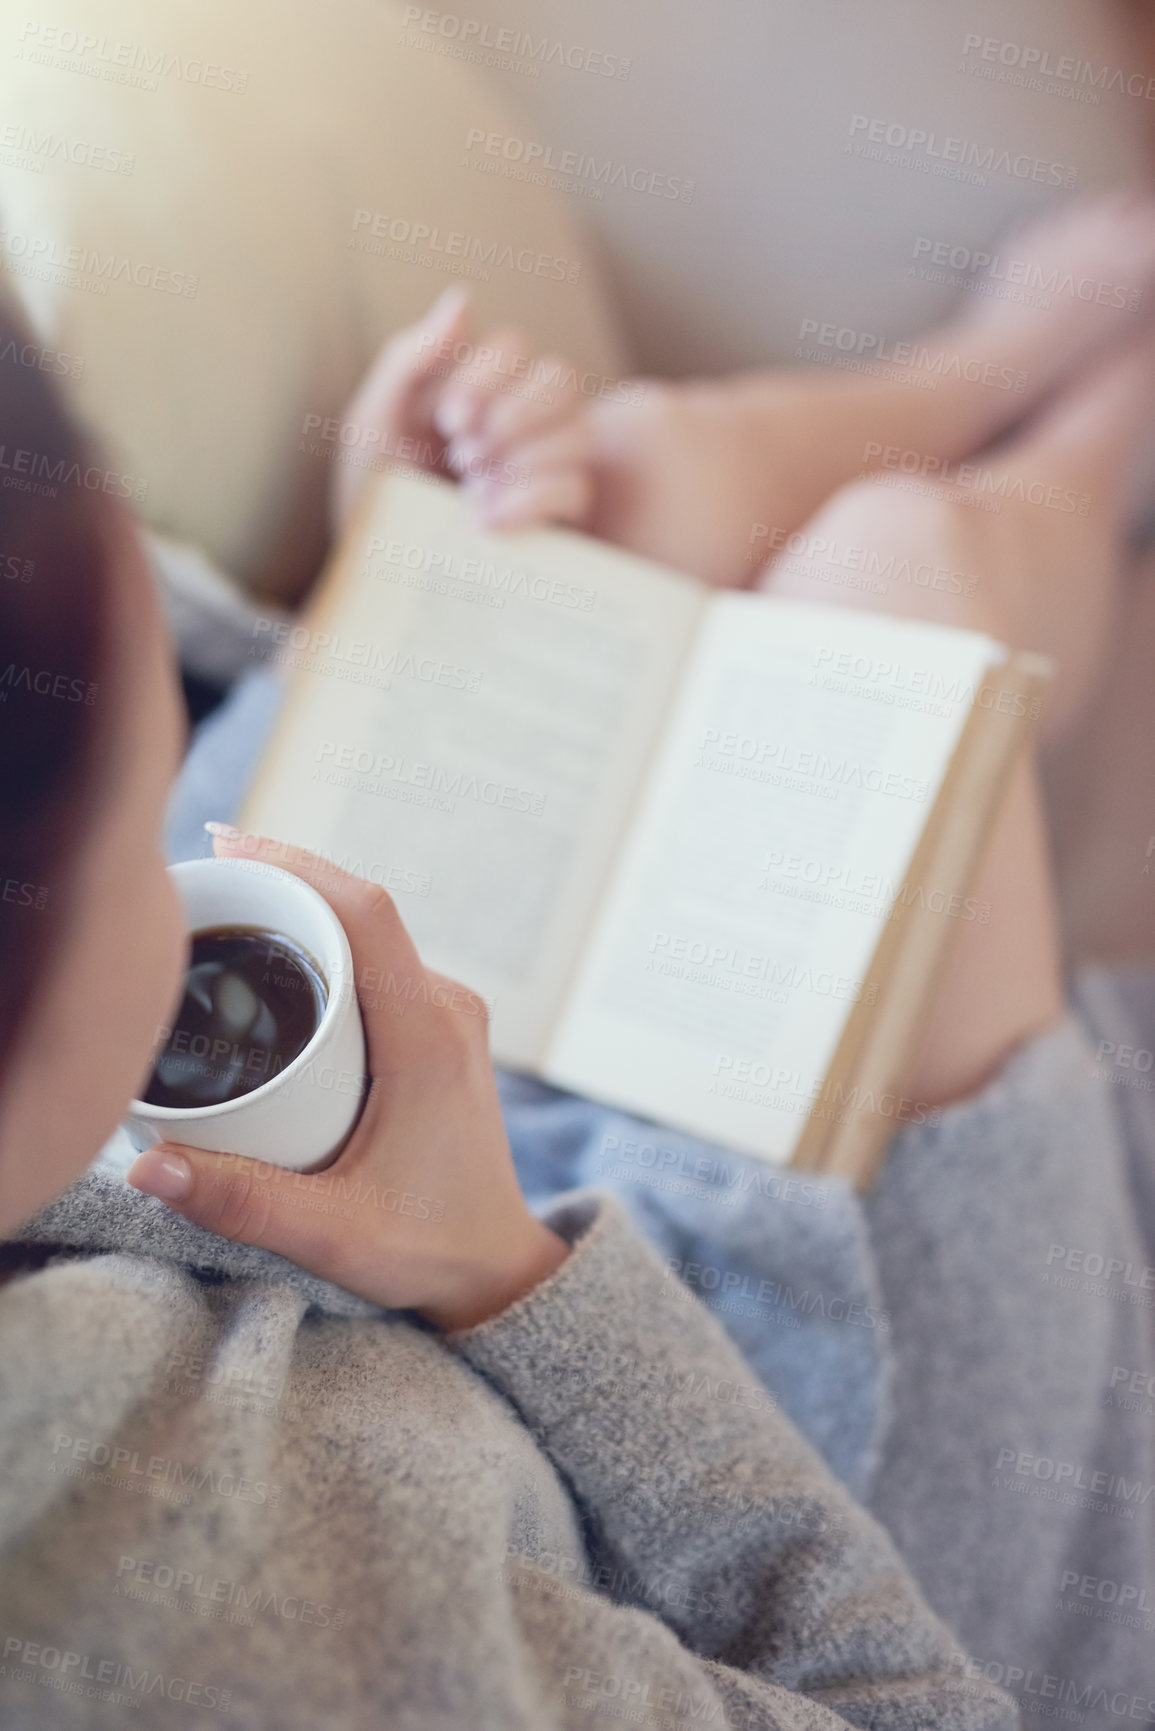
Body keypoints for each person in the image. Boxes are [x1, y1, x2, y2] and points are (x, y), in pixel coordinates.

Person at [0, 307, 1014, 1726]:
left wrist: (382, 595)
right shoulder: (238, 1627)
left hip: (451, 1227)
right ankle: (1091, 391)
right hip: (800, 1462)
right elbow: (911, 1704)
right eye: (138, 730)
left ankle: (1017, 366)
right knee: (910, 568)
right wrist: (509, 1269)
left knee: (635, 477)